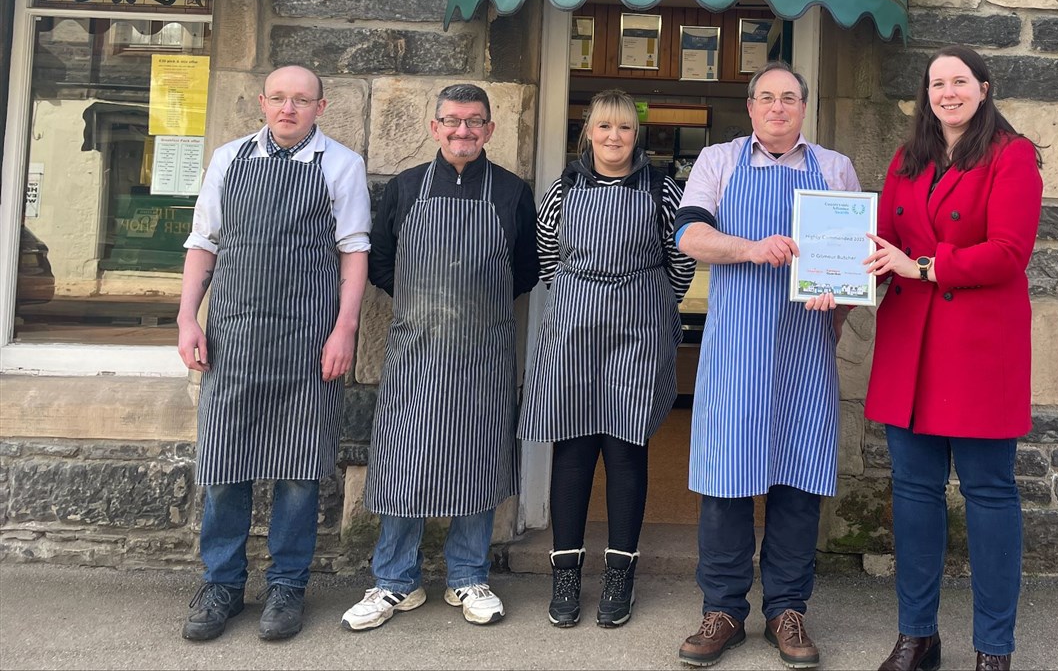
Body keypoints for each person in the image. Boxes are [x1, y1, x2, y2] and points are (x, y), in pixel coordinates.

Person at [674, 61, 860, 670]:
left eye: (789, 98)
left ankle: (787, 608)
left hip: (806, 347)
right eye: (766, 98)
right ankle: (723, 608)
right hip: (736, 349)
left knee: (798, 480)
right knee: (727, 479)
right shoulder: (720, 161)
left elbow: (849, 257)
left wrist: (838, 295)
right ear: (750, 108)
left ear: (803, 108)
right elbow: (690, 237)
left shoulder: (833, 168)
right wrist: (750, 249)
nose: (777, 107)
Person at [863, 45, 1043, 671]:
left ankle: (994, 648)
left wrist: (927, 265)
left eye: (959, 81)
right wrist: (836, 278)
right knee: (913, 494)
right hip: (910, 343)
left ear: (985, 88)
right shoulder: (908, 158)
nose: (947, 92)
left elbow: (1009, 251)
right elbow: (879, 241)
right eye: (937, 83)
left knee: (989, 496)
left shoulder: (1012, 156)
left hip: (978, 349)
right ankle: (918, 636)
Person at [176, 65, 371, 643]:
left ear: (321, 106)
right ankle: (223, 584)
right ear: (262, 102)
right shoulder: (229, 159)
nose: (289, 109)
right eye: (280, 98)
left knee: (300, 471)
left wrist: (345, 330)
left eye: (302, 100)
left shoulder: (341, 165)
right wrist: (188, 317)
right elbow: (202, 241)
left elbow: (353, 250)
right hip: (232, 338)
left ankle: (287, 586)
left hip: (307, 343)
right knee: (224, 464)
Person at [342, 84, 539, 632]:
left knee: (477, 460)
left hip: (483, 355)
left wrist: (478, 309)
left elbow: (526, 270)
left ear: (490, 130)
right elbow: (381, 262)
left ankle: (468, 577)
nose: (463, 131)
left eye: (475, 122)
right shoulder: (405, 188)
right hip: (415, 353)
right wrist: (422, 308)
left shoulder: (512, 192)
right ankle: (394, 581)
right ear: (434, 127)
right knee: (405, 462)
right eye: (452, 121)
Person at [519, 88, 697, 629]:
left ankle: (620, 573)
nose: (614, 137)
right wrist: (584, 298)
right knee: (572, 450)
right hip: (574, 330)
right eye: (604, 127)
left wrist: (652, 307)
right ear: (588, 134)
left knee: (625, 450)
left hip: (638, 331)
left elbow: (680, 262)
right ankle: (566, 573)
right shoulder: (561, 190)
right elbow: (548, 260)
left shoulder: (663, 190)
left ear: (635, 135)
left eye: (623, 128)